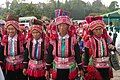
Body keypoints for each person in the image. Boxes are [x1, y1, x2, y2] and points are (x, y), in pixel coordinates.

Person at [45, 15, 83, 80]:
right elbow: (49, 55)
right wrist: (47, 69)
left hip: (70, 68)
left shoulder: (73, 39)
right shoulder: (53, 39)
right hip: (57, 67)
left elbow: (77, 54)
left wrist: (80, 68)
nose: (62, 28)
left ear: (68, 27)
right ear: (57, 27)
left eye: (64, 25)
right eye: (60, 25)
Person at [84, 16, 114, 80]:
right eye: (96, 30)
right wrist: (85, 68)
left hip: (106, 66)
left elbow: (113, 48)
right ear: (92, 30)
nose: (98, 31)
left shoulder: (107, 39)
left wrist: (112, 47)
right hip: (94, 66)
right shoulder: (89, 41)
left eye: (100, 29)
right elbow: (86, 56)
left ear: (103, 29)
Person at [0, 13, 26, 80]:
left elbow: (26, 50)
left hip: (20, 63)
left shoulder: (21, 38)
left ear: (16, 29)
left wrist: (26, 63)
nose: (10, 31)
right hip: (9, 63)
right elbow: (1, 50)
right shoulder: (5, 38)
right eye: (9, 29)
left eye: (12, 29)